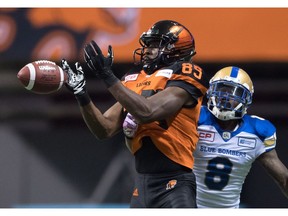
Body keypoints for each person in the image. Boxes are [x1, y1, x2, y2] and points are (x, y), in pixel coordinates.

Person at [61, 20, 209, 208]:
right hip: (142, 184)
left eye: (155, 44)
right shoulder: (134, 78)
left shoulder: (187, 73)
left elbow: (148, 112)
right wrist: (81, 93)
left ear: (176, 49)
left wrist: (107, 76)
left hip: (175, 182)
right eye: (146, 44)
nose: (147, 50)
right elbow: (104, 129)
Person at [192, 66, 288, 208]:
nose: (225, 97)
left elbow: (284, 179)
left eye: (233, 92)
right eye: (221, 90)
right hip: (186, 206)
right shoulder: (195, 118)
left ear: (246, 99)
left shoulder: (257, 131)